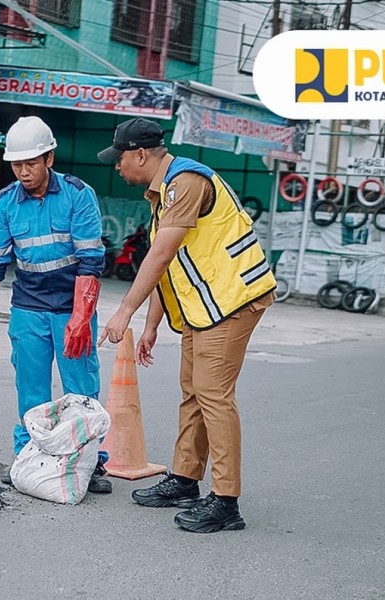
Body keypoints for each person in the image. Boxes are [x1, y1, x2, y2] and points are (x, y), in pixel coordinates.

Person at [96, 117, 276, 532]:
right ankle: (184, 479)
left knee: (214, 396)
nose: (117, 166)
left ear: (140, 154)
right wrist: (152, 325)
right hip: (205, 307)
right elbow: (171, 265)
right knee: (193, 393)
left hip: (233, 301)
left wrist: (126, 311)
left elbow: (159, 256)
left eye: (120, 158)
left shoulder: (186, 183)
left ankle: (226, 502)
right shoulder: (164, 193)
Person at [0, 116, 112, 494]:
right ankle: (29, 456)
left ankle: (90, 464)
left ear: (49, 157)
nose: (24, 172)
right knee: (30, 387)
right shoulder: (5, 203)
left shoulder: (79, 195)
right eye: (17, 165)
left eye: (31, 163)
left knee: (80, 388)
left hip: (71, 307)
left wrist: (81, 318)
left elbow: (92, 261)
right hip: (28, 306)